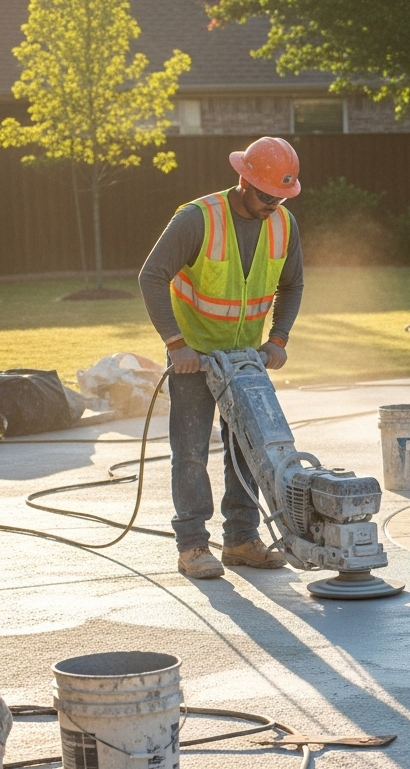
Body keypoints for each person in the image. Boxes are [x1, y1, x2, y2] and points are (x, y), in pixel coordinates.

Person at [139, 136, 304, 579]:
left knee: (246, 450)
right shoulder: (198, 219)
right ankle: (193, 545)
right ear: (245, 181)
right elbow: (151, 276)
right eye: (268, 195)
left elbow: (292, 285)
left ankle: (241, 540)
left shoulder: (284, 224)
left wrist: (279, 338)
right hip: (194, 354)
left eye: (282, 195)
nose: (274, 203)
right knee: (191, 452)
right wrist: (176, 344)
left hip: (245, 360)